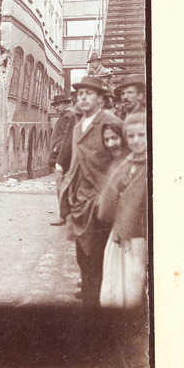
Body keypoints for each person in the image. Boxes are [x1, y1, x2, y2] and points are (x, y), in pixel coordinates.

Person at [59, 75, 121, 307]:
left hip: (103, 203)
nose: (83, 97)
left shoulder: (110, 122)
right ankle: (89, 304)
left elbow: (122, 160)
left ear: (101, 99)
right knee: (83, 258)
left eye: (89, 93)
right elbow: (75, 165)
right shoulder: (78, 127)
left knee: (97, 260)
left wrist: (110, 194)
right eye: (80, 94)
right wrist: (69, 195)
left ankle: (95, 310)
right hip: (80, 203)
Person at [98, 112, 148, 308]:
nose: (136, 140)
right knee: (116, 285)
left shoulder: (152, 165)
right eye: (131, 136)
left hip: (141, 235)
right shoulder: (126, 164)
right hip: (120, 233)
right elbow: (108, 202)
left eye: (141, 135)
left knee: (135, 284)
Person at [48, 93, 74, 226]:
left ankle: (64, 216)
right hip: (61, 156)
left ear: (66, 104)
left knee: (61, 186)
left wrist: (57, 148)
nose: (56, 107)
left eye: (59, 105)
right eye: (55, 105)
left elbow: (67, 137)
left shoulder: (68, 116)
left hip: (63, 157)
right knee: (63, 186)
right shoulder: (64, 116)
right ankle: (66, 215)